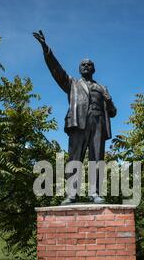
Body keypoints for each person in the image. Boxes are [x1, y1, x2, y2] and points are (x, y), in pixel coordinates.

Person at [33, 30, 117, 204]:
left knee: (97, 159)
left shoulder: (102, 88)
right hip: (78, 123)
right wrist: (46, 50)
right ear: (79, 69)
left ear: (94, 69)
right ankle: (72, 193)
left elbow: (113, 112)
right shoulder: (72, 84)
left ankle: (95, 193)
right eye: (83, 65)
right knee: (75, 158)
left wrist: (109, 103)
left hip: (98, 124)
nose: (86, 66)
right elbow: (57, 71)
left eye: (89, 65)